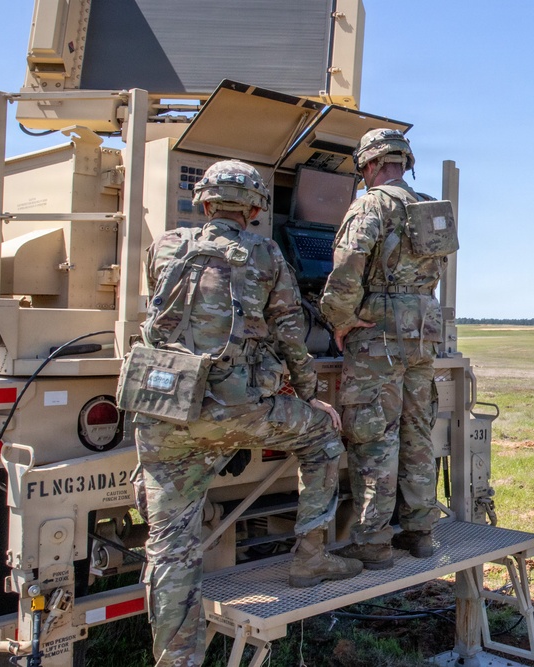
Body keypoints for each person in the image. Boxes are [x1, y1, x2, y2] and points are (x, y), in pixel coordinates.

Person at [130, 160, 362, 667]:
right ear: (255, 209)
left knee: (170, 548)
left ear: (205, 203)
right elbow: (288, 334)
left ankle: (176, 659)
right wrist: (309, 395)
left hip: (164, 410)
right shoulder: (265, 252)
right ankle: (310, 558)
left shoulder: (164, 247)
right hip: (236, 408)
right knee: (322, 434)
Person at [320, 129, 444, 568]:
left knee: (375, 434)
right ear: (405, 163)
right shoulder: (429, 207)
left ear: (369, 165)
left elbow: (348, 266)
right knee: (417, 433)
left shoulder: (370, 204)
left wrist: (340, 319)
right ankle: (420, 532)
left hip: (378, 338)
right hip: (423, 335)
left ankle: (373, 542)